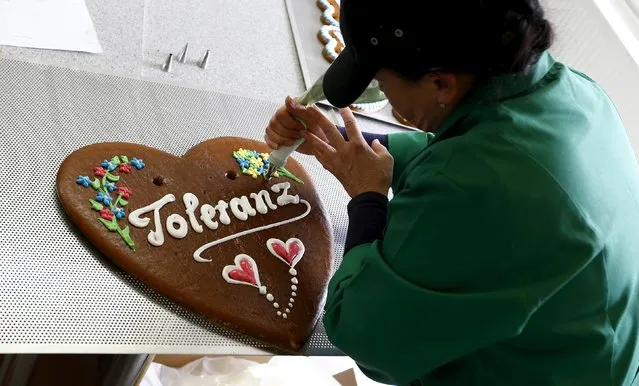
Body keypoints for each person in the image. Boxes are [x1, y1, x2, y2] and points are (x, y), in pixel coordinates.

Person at [266, 0, 639, 385]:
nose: (384, 95)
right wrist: (348, 144)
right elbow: (473, 144)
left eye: (380, 80)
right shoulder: (573, 90)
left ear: (442, 83)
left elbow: (367, 336)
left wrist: (367, 199)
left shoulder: (479, 189)